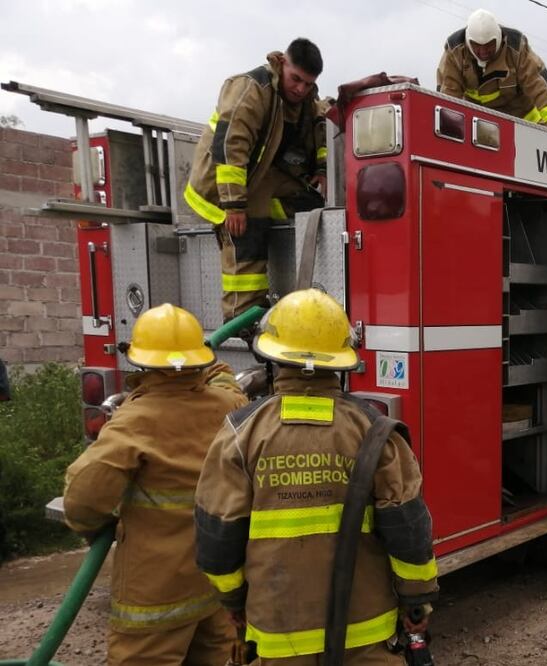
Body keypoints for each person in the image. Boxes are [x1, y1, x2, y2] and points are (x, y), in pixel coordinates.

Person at [194, 289, 439, 664]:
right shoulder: (375, 430)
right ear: (340, 364)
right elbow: (408, 531)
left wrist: (233, 600)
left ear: (273, 359)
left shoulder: (241, 434)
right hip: (366, 634)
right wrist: (417, 601)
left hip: (278, 635)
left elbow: (218, 535)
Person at [63, 303, 247, 665]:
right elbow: (228, 385)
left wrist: (95, 528)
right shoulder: (230, 406)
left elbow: (83, 499)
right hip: (216, 584)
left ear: (141, 361)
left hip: (156, 595)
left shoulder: (135, 421)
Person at [185, 38, 330, 322]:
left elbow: (319, 131)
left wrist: (322, 170)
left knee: (313, 204)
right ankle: (241, 316)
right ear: (282, 63)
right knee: (246, 230)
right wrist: (235, 205)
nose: (301, 89)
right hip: (221, 184)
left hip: (263, 177)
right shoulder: (250, 89)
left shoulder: (307, 100)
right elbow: (230, 148)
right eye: (296, 79)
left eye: (308, 83)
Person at [437, 8, 547, 132]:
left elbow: (540, 89)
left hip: (524, 123)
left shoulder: (517, 49)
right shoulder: (455, 53)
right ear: (468, 42)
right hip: (479, 128)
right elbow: (448, 96)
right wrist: (449, 128)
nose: (483, 51)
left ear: (498, 38)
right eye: (477, 46)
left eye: (489, 45)